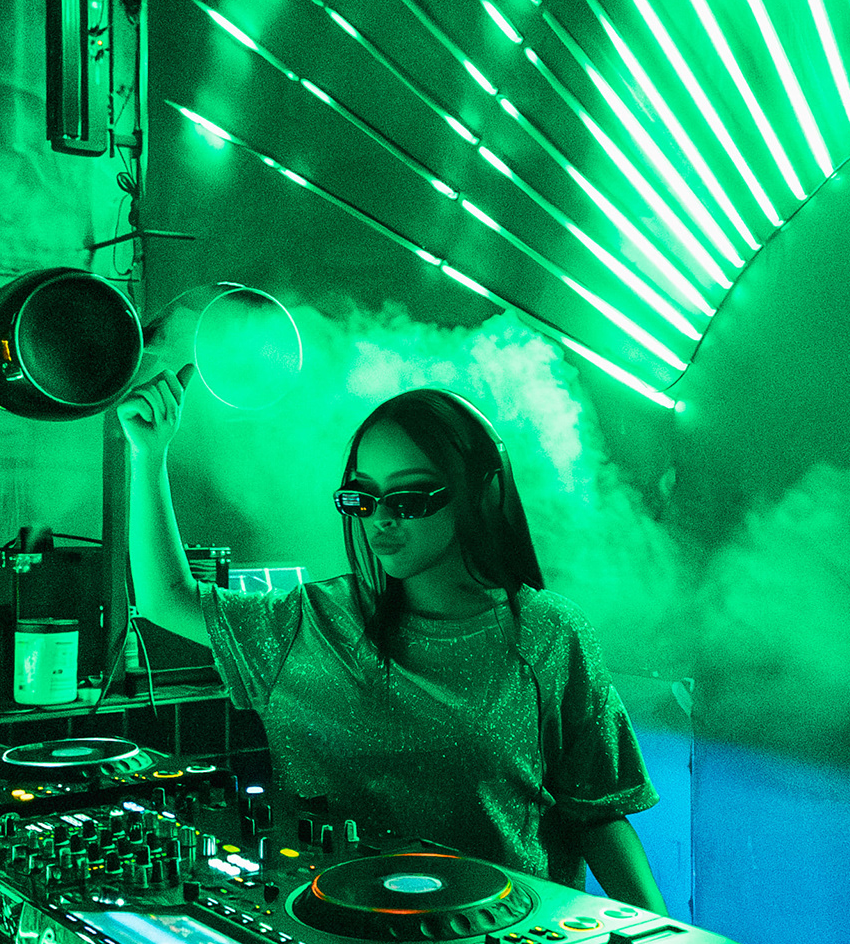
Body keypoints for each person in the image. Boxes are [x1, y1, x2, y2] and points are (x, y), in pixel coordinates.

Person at [116, 367, 667, 912]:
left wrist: (665, 942)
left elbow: (597, 814)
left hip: (501, 942)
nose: (380, 519)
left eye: (409, 498)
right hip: (330, 937)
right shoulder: (310, 622)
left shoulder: (549, 633)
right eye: (362, 498)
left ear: (481, 492)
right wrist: (148, 456)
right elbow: (167, 598)